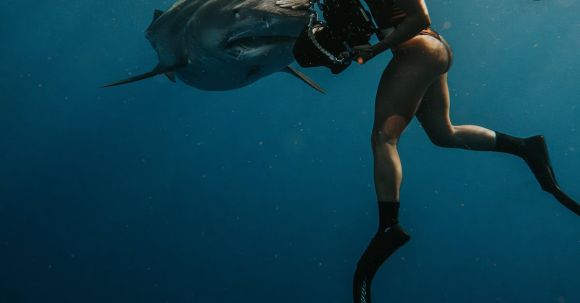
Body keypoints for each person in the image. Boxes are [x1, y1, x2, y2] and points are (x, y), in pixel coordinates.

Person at [289, 0, 579, 302]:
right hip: (431, 48)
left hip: (419, 50)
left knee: (383, 138)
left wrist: (376, 49)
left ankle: (388, 225)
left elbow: (419, 17)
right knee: (443, 133)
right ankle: (524, 147)